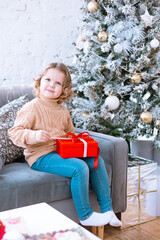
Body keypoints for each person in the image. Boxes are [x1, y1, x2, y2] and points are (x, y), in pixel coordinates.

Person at [8, 62, 122, 227]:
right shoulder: (31, 108)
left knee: (96, 161)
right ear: (39, 82)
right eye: (48, 80)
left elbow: (69, 133)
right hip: (41, 156)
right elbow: (14, 133)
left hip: (62, 151)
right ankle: (85, 214)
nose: (51, 85)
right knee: (79, 167)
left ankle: (108, 211)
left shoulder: (63, 111)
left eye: (58, 83)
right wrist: (34, 135)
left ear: (64, 89)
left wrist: (81, 142)